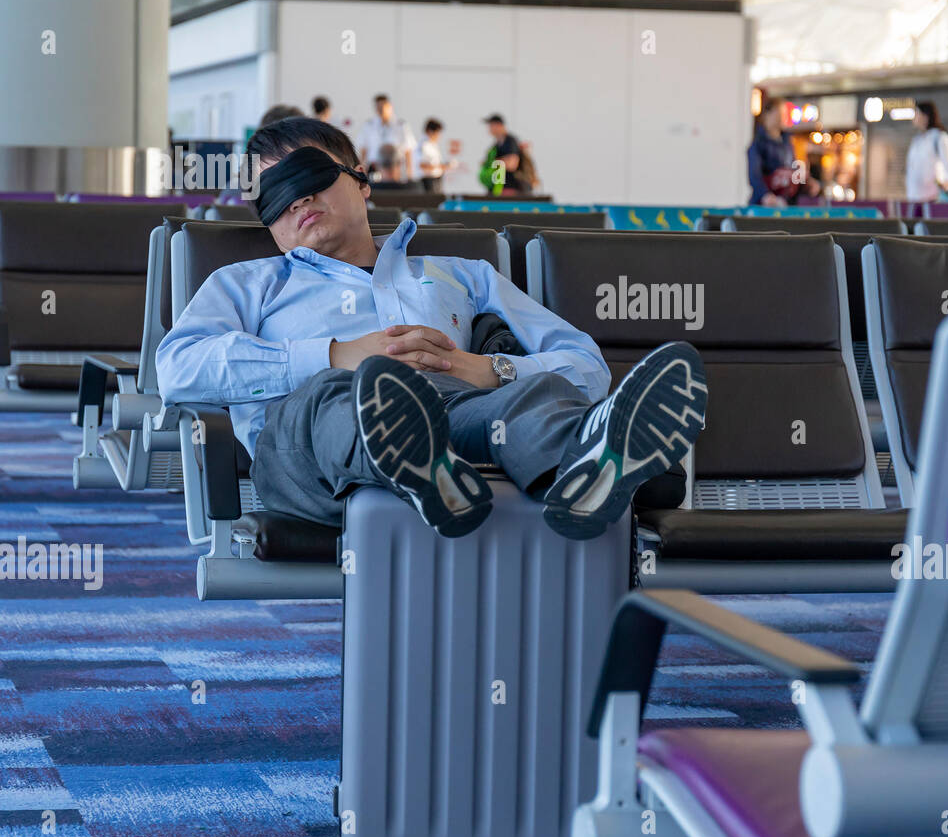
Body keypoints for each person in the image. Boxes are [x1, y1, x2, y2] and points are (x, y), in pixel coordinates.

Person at [154, 117, 708, 541]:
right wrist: (333, 355)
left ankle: (591, 466)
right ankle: (415, 459)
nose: (296, 200)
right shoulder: (248, 283)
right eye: (271, 196)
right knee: (342, 394)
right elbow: (176, 369)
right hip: (309, 440)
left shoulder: (463, 276)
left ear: (362, 182)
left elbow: (584, 365)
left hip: (457, 415)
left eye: (309, 177)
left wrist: (488, 369)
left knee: (532, 394)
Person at [905, 100, 948, 203]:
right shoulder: (917, 140)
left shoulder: (939, 137)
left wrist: (946, 184)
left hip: (933, 199)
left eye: (917, 113)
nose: (914, 118)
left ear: (926, 116)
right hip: (914, 198)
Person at [746, 100, 797, 206]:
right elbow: (754, 175)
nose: (781, 117)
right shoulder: (758, 144)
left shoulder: (787, 143)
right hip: (764, 205)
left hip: (785, 203)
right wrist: (765, 195)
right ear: (767, 115)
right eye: (778, 113)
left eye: (783, 113)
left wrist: (807, 183)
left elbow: (794, 170)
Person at [358, 94, 417, 174]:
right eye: (378, 107)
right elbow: (363, 149)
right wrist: (360, 171)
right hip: (374, 167)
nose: (380, 110)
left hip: (394, 168)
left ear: (390, 106)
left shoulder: (401, 126)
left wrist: (409, 173)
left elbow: (408, 150)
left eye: (383, 106)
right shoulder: (369, 126)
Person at [478, 114, 524, 195]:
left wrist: (492, 163)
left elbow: (512, 164)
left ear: (499, 125)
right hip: (498, 188)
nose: (489, 129)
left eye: (491, 126)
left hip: (509, 189)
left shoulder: (510, 141)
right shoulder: (496, 144)